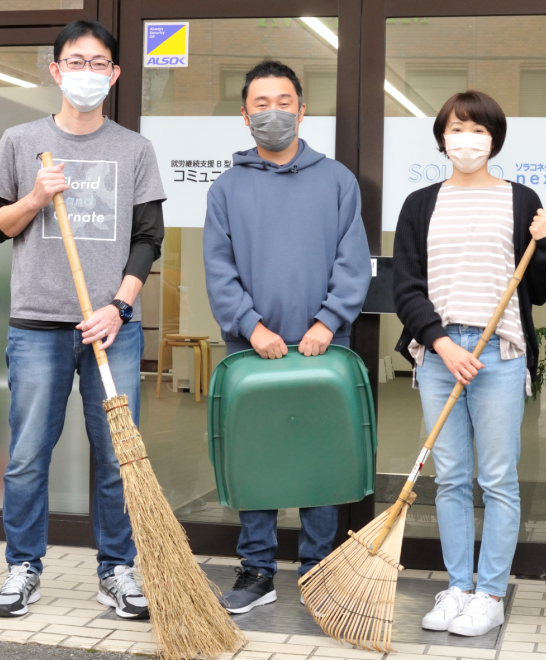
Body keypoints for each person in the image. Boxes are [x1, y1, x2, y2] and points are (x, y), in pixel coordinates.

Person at [0, 19, 165, 620]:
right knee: (29, 454)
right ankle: (23, 566)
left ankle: (117, 571)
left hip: (113, 329)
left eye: (99, 63)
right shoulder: (19, 140)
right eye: (75, 62)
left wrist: (120, 307)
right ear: (56, 71)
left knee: (118, 457)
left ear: (113, 74)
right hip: (37, 325)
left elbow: (148, 238)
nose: (88, 72)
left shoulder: (134, 148)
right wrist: (34, 197)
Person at [393, 91, 546, 637]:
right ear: (442, 138)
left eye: (479, 131)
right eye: (457, 129)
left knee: (497, 479)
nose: (467, 139)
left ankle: (490, 592)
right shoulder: (421, 203)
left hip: (499, 350)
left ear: (494, 139)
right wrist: (441, 343)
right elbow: (406, 287)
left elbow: (539, 291)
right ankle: (457, 587)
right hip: (440, 351)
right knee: (449, 478)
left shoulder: (520, 200)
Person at [203, 60, 370, 614]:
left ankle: (319, 565)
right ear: (244, 114)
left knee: (321, 457)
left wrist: (327, 322)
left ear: (303, 109)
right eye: (260, 103)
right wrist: (251, 327)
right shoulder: (227, 188)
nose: (272, 112)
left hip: (324, 347)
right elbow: (219, 269)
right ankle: (256, 569)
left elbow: (352, 262)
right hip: (254, 350)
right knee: (258, 457)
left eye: (283, 102)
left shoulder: (337, 180)